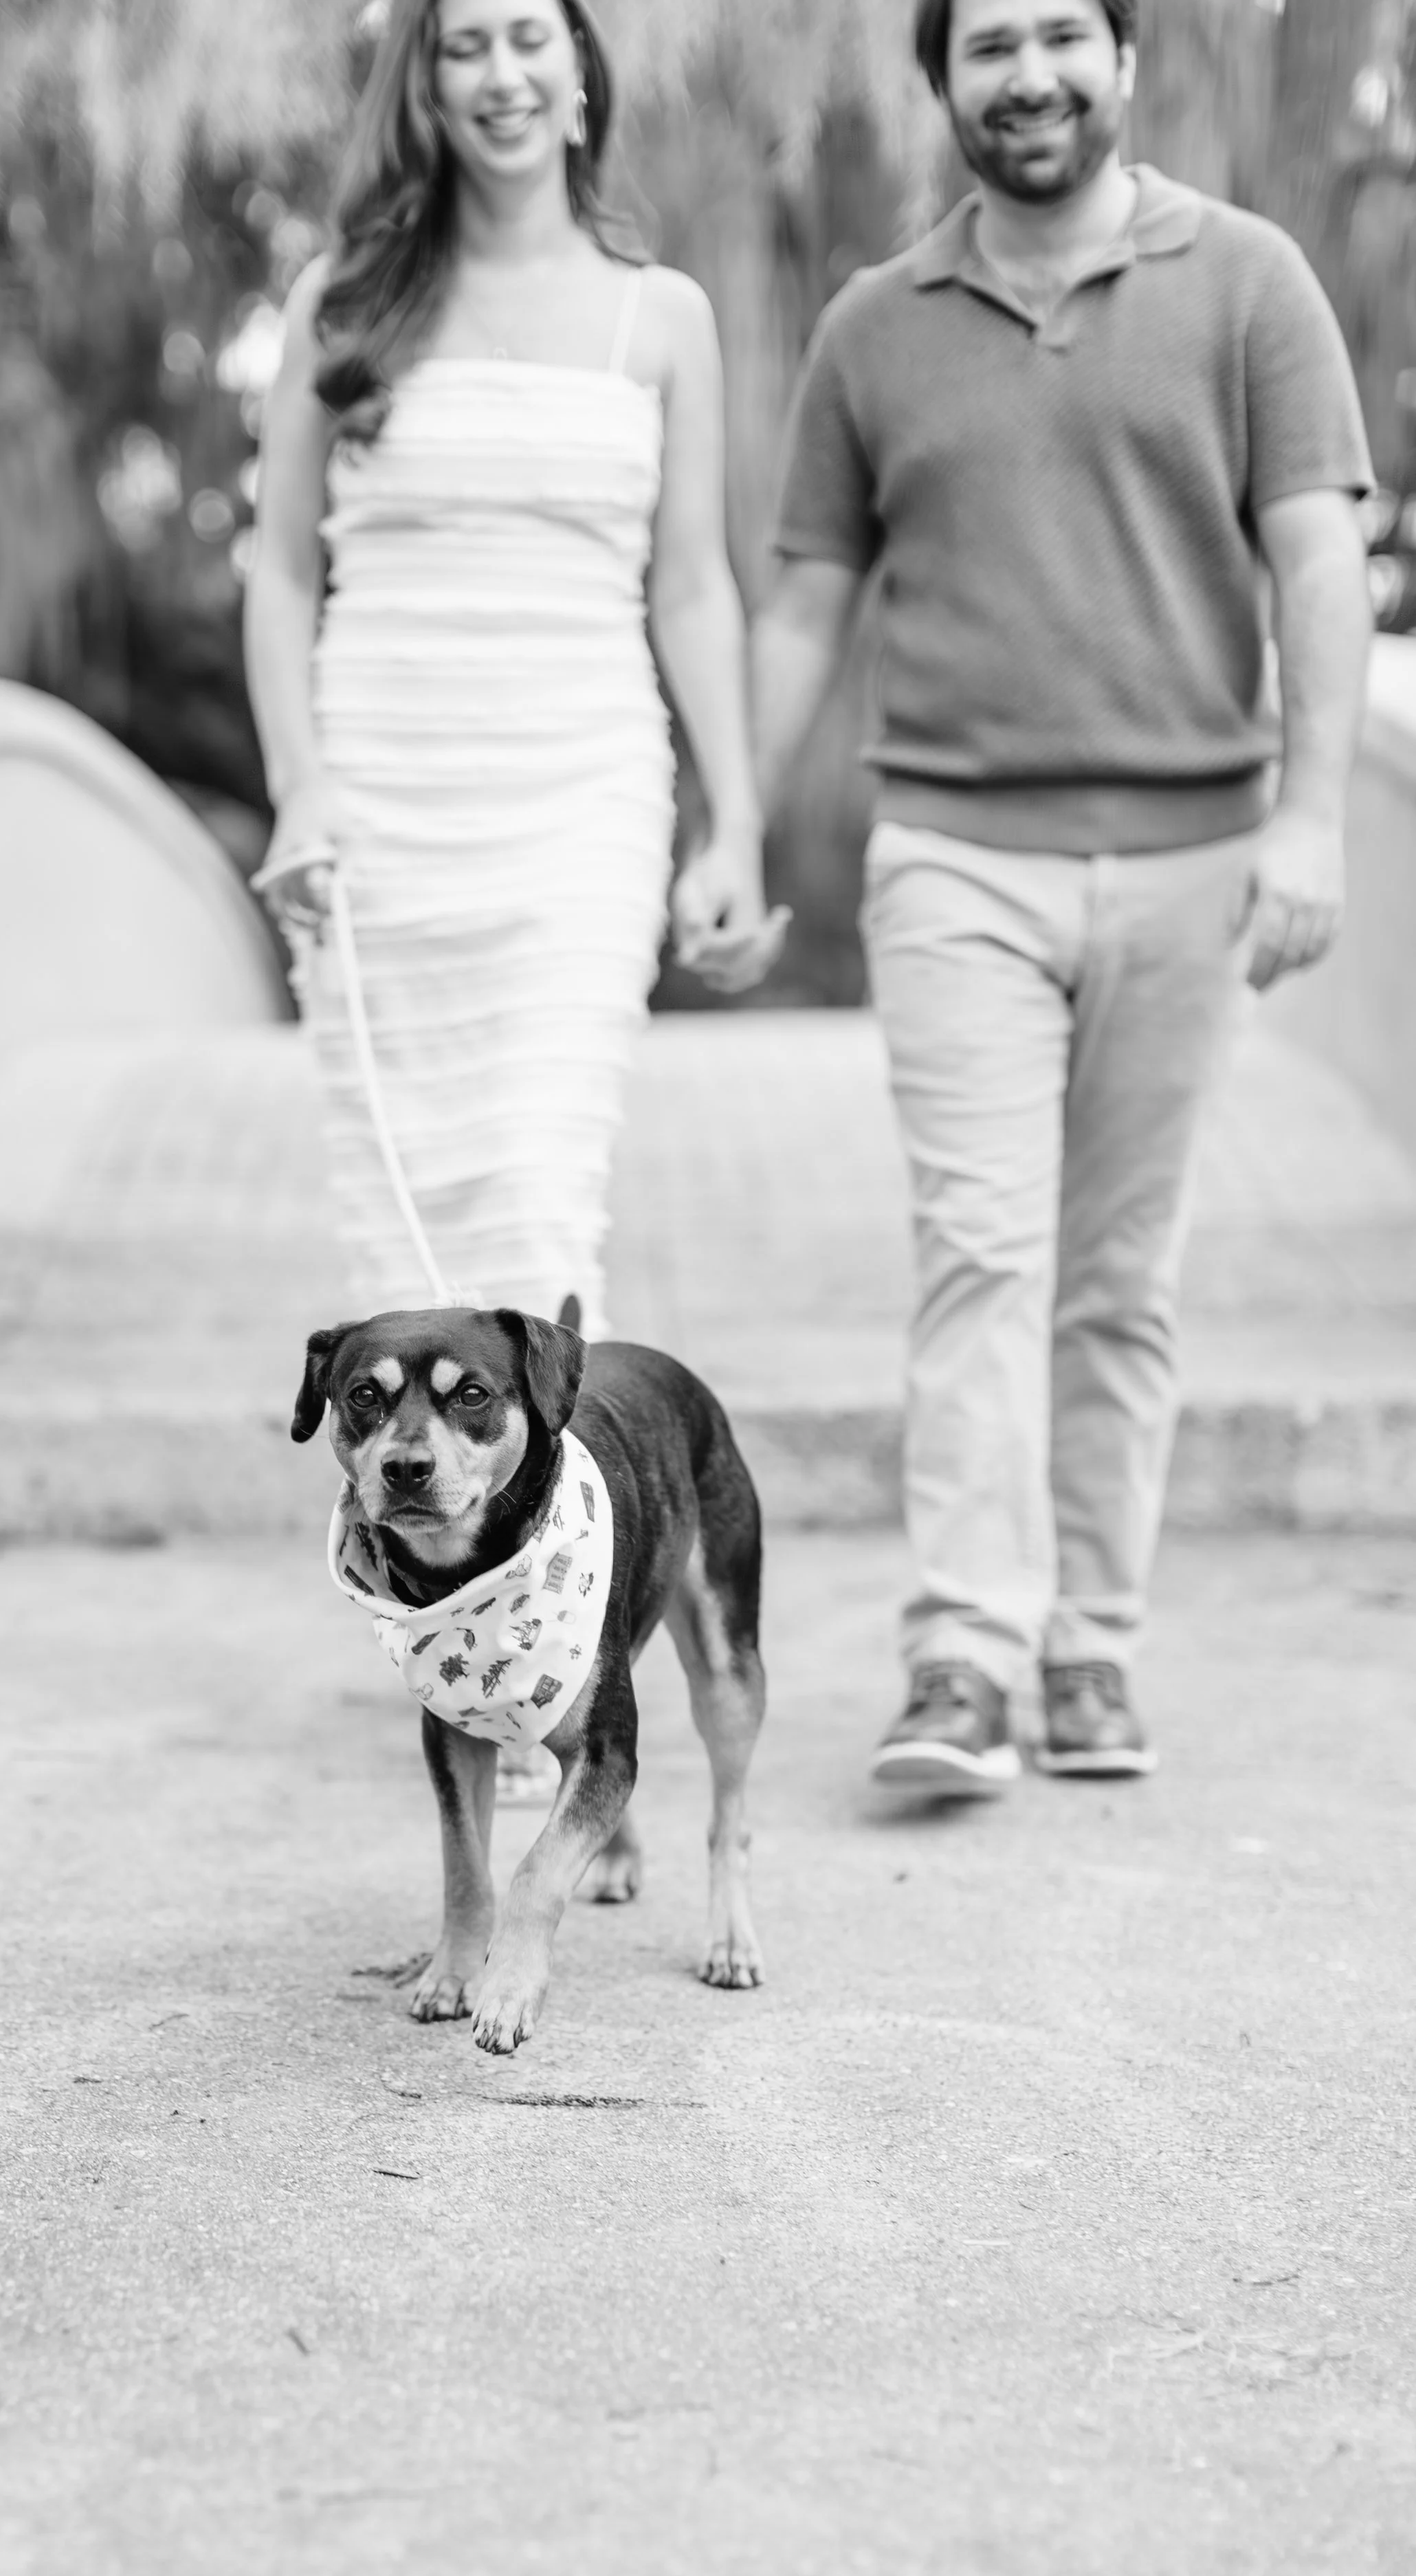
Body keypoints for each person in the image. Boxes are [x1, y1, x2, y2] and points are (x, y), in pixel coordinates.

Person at [755, 0, 1374, 1796]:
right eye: (985, 48)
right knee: (978, 1251)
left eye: (1058, 37)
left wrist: (1310, 815)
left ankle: (1090, 1645)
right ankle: (962, 1648)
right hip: (951, 850)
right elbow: (804, 600)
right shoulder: (875, 324)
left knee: (1115, 1275)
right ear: (937, 82)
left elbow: (1315, 550)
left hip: (1189, 854)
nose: (1025, 76)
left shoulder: (1247, 281)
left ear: (1120, 60)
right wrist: (714, 828)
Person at [245, 0, 786, 1347]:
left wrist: (735, 826)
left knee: (540, 1209)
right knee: (400, 1231)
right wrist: (297, 790)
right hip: (377, 817)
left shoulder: (661, 319)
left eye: (528, 38)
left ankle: (557, 1560)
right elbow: (277, 573)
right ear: (422, 87)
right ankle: (416, 1558)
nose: (501, 73)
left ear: (581, 77)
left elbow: (693, 586)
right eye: (464, 44)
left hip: (578, 806)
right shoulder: (341, 305)